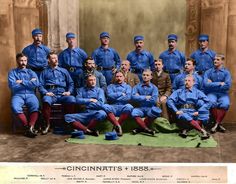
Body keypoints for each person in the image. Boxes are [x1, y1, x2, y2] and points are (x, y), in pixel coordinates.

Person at [39, 51, 76, 134]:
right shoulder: (44, 72)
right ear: (48, 60)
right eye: (53, 58)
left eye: (56, 58)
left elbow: (71, 83)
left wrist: (69, 92)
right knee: (46, 100)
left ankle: (69, 123)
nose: (55, 60)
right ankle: (47, 125)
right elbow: (40, 85)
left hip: (63, 94)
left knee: (72, 99)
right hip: (51, 94)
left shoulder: (64, 71)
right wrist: (46, 92)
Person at [167, 75, 210, 139]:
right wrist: (176, 110)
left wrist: (199, 111)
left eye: (189, 81)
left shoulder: (197, 92)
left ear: (193, 82)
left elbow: (208, 102)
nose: (186, 82)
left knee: (205, 116)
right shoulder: (179, 91)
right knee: (184, 116)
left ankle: (185, 130)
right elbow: (170, 101)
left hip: (193, 111)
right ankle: (203, 131)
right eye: (185, 80)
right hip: (182, 111)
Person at [8, 53, 39, 138]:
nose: (23, 62)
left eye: (25, 60)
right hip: (18, 95)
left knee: (35, 105)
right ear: (17, 61)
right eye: (21, 60)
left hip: (30, 94)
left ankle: (31, 126)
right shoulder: (12, 72)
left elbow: (36, 83)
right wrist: (29, 82)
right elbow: (12, 86)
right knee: (14, 106)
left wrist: (21, 81)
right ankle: (28, 127)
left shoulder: (31, 72)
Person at [203, 54, 232, 133]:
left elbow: (227, 86)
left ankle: (216, 124)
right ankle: (218, 125)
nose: (215, 61)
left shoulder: (226, 73)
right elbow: (205, 85)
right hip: (211, 93)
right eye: (214, 59)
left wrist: (212, 84)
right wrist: (219, 83)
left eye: (218, 59)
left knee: (226, 104)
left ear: (222, 61)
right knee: (211, 102)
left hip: (223, 93)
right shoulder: (208, 72)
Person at [131, 69, 162, 135]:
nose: (145, 76)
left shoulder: (154, 88)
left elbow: (153, 100)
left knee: (155, 112)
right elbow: (133, 97)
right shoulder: (137, 87)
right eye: (144, 75)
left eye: (147, 75)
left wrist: (139, 97)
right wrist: (146, 97)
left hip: (150, 107)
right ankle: (147, 129)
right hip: (140, 107)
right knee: (134, 112)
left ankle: (139, 129)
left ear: (151, 77)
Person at [103, 71, 134, 136]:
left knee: (129, 106)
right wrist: (121, 94)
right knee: (105, 106)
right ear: (114, 77)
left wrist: (115, 97)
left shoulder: (128, 87)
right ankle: (118, 126)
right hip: (113, 107)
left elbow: (128, 97)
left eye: (120, 76)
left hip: (123, 107)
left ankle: (115, 127)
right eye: (117, 76)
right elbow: (109, 96)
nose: (119, 78)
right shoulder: (110, 86)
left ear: (124, 77)